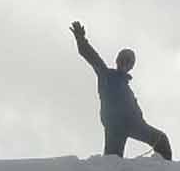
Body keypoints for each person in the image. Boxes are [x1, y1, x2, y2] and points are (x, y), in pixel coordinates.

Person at [70, 20, 173, 160]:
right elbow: (91, 56)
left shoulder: (126, 85)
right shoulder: (106, 75)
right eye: (123, 60)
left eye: (129, 61)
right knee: (112, 160)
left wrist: (140, 120)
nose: (126, 63)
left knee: (161, 140)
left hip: (134, 124)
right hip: (116, 125)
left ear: (131, 66)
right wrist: (81, 39)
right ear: (117, 61)